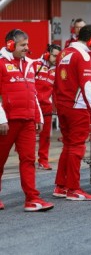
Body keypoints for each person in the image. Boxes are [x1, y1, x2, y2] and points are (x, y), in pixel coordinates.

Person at [0, 29, 54, 211]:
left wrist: (37, 116)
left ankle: (32, 199)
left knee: (29, 160)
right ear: (10, 44)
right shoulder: (0, 63)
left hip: (28, 121)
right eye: (23, 45)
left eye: (27, 44)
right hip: (7, 122)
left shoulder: (30, 64)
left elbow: (34, 93)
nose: (27, 48)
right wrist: (1, 119)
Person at [53, 25, 91, 201]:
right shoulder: (83, 55)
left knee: (67, 145)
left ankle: (61, 186)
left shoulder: (63, 53)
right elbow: (87, 86)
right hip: (77, 107)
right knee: (77, 147)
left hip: (63, 106)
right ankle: (73, 189)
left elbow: (56, 83)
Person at [34, 43, 61, 170]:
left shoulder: (57, 70)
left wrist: (57, 108)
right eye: (54, 56)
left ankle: (43, 161)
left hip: (46, 107)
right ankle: (27, 160)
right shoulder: (35, 64)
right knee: (29, 136)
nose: (56, 59)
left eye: (58, 56)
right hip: (33, 106)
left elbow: (56, 91)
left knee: (45, 136)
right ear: (47, 54)